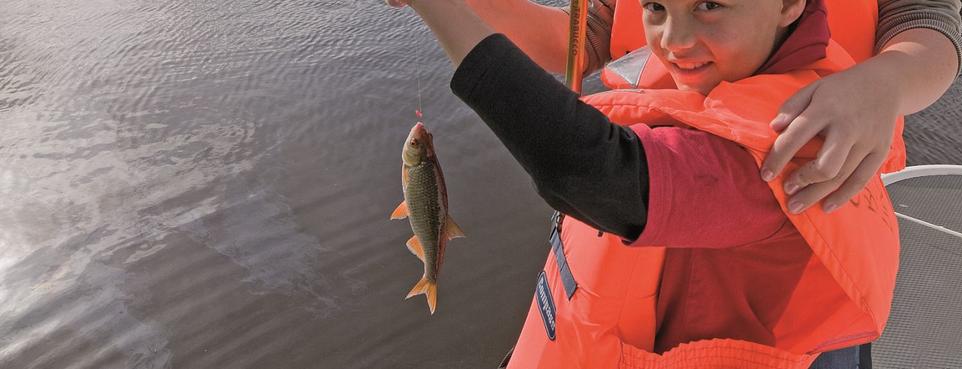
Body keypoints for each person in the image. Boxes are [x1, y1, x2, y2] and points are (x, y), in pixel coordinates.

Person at [389, 0, 922, 368]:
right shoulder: (718, 72)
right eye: (655, 8)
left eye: (710, 4)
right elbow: (586, 37)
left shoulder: (786, 147)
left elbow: (586, 170)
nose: (675, 40)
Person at [390, 0, 962, 218]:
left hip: (810, 174)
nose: (675, 36)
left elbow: (929, 31)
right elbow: (584, 42)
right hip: (651, 178)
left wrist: (883, 82)